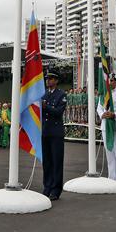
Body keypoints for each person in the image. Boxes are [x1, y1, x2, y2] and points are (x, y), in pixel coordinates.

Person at [41, 71, 67, 200]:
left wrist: (45, 107)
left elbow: (58, 112)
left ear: (56, 81)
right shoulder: (44, 94)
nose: (48, 81)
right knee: (47, 162)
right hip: (45, 131)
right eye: (47, 78)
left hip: (56, 132)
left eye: (51, 78)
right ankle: (47, 187)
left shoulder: (61, 94)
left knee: (56, 161)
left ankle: (56, 190)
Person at [97, 76, 116, 182]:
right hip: (106, 126)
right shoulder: (103, 94)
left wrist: (115, 114)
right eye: (109, 81)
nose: (110, 82)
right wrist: (102, 114)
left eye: (112, 81)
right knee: (109, 151)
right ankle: (111, 177)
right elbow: (99, 108)